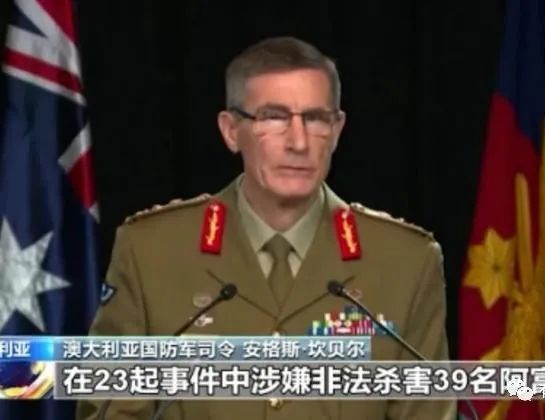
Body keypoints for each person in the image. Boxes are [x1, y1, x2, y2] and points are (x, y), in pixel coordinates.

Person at [77, 36, 455, 419]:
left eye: (315, 118)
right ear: (231, 130)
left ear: (337, 129)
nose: (298, 142)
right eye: (274, 117)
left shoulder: (406, 263)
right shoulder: (151, 253)